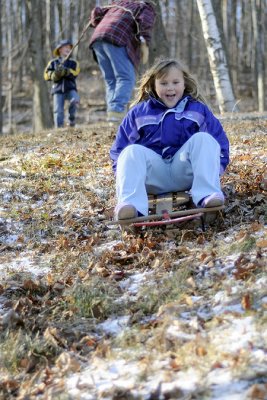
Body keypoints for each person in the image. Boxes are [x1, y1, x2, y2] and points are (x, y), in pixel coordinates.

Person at [109, 58, 230, 221]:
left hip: (185, 173)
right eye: (164, 83)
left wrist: (215, 170)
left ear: (184, 83)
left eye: (175, 82)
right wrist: (123, 176)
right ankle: (131, 207)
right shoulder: (139, 113)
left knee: (204, 139)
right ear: (154, 85)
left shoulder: (197, 110)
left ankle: (207, 196)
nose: (170, 88)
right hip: (152, 176)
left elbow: (219, 143)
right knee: (130, 151)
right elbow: (119, 151)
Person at [88, 0, 156, 123]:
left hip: (97, 38)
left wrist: (99, 22)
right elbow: (145, 21)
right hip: (117, 37)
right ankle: (117, 111)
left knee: (111, 79)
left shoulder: (117, 4)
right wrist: (145, 41)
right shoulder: (144, 6)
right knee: (125, 77)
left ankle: (112, 115)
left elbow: (96, 12)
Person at [44, 39, 80, 128]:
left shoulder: (73, 62)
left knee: (75, 100)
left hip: (70, 88)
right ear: (60, 49)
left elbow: (76, 73)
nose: (68, 49)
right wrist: (54, 75)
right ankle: (58, 128)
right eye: (66, 47)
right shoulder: (53, 63)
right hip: (57, 89)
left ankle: (71, 121)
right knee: (58, 110)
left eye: (69, 48)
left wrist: (67, 72)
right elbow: (46, 75)